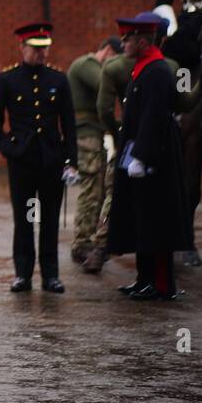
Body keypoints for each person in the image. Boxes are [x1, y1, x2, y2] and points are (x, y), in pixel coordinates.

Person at [0, 23, 77, 293]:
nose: (40, 55)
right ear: (22, 48)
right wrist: (7, 147)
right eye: (35, 49)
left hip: (51, 159)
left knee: (50, 219)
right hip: (22, 160)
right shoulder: (8, 79)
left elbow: (69, 123)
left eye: (44, 49)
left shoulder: (58, 80)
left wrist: (72, 161)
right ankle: (23, 274)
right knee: (23, 219)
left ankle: (51, 275)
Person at [107, 13, 191, 300]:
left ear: (143, 41)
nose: (123, 43)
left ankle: (162, 283)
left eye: (127, 39)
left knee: (157, 220)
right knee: (143, 218)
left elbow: (154, 117)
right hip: (141, 155)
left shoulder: (157, 70)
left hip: (155, 159)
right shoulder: (144, 67)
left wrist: (141, 155)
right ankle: (144, 278)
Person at [66, 37, 122, 272]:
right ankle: (82, 243)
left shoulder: (88, 65)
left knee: (96, 189)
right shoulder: (86, 64)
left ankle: (84, 241)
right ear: (107, 51)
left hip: (92, 134)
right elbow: (106, 83)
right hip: (85, 135)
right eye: (115, 60)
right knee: (92, 190)